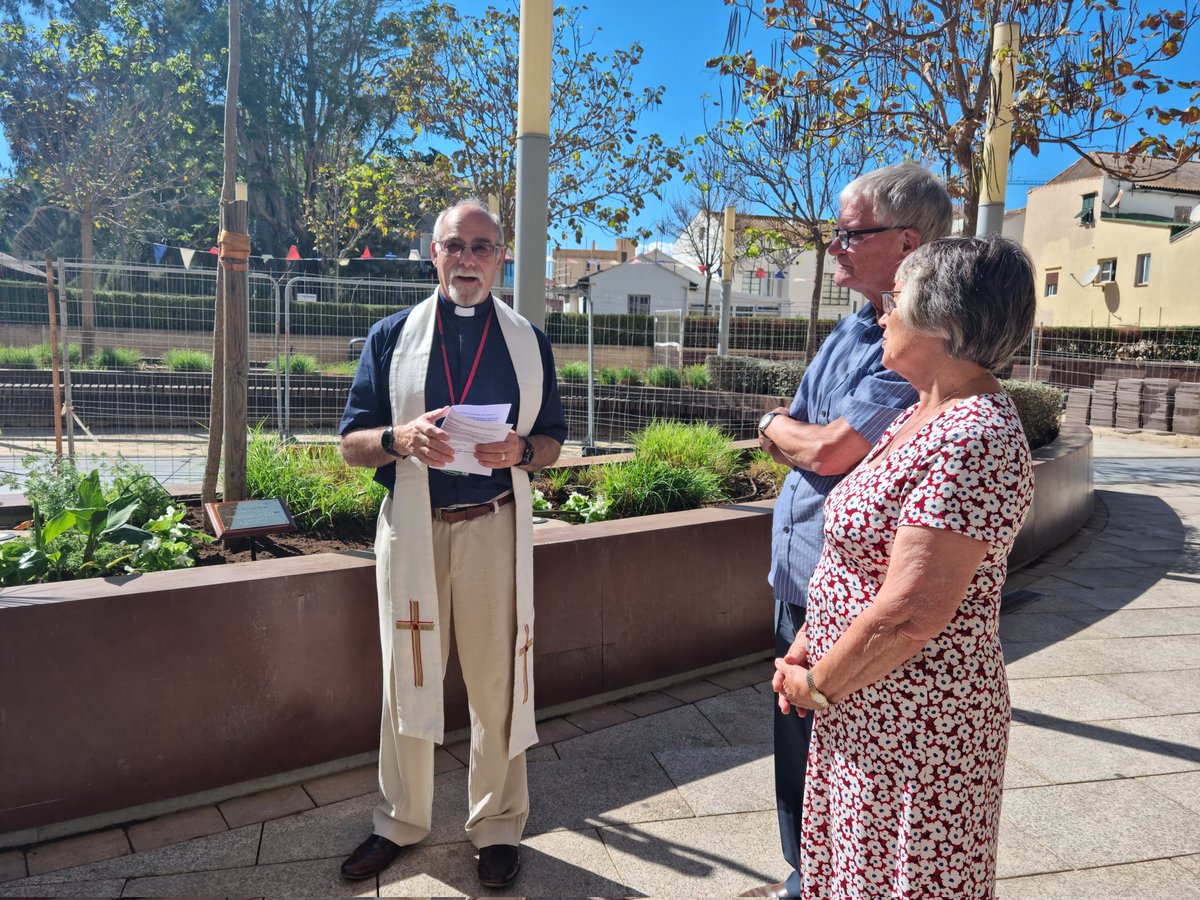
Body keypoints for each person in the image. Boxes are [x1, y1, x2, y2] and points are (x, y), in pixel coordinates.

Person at [773, 235, 1038, 897]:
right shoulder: (922, 412)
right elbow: (851, 556)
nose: (883, 315)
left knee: (900, 881)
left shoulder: (974, 433)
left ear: (944, 324)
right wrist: (807, 649)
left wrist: (819, 683)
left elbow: (914, 611)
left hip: (919, 726)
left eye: (899, 301)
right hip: (865, 706)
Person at [337, 198, 567, 888]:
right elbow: (350, 446)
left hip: (493, 526)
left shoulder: (528, 341)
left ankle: (497, 826)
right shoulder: (390, 337)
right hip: (412, 531)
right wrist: (396, 440)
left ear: (502, 257)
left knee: (499, 680)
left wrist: (523, 448)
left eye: (482, 246)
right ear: (432, 253)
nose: (468, 259)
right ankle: (401, 819)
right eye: (454, 246)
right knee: (406, 677)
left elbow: (553, 442)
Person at [746, 163, 952, 898]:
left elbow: (828, 448)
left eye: (848, 233)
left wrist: (774, 425)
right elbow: (819, 435)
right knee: (795, 747)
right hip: (797, 577)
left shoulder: (921, 349)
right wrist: (800, 434)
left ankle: (824, 880)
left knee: (839, 753)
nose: (833, 246)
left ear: (905, 242)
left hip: (852, 599)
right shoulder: (851, 328)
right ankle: (805, 874)